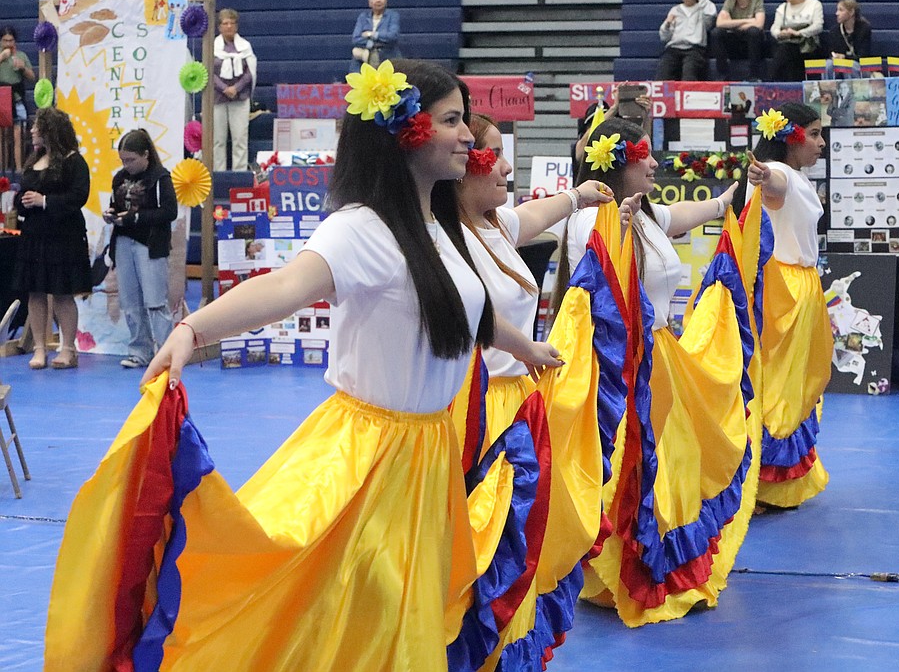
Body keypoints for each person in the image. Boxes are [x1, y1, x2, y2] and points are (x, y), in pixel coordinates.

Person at [44, 60, 561, 670]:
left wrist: (527, 348)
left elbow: (465, 311)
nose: (469, 136)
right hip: (367, 455)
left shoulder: (441, 228)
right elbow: (284, 287)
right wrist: (191, 329)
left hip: (429, 457)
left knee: (399, 620)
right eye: (452, 121)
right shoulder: (360, 229)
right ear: (407, 132)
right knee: (345, 611)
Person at [553, 117, 759, 627]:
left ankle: (661, 561)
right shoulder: (593, 219)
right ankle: (622, 570)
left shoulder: (643, 213)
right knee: (635, 464)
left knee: (673, 464)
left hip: (661, 357)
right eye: (643, 154)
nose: (653, 161)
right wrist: (617, 226)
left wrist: (723, 202)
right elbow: (603, 289)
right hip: (624, 367)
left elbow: (678, 215)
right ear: (619, 162)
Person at [452, 114, 612, 665]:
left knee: (523, 536)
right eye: (491, 154)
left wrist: (582, 195)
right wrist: (527, 348)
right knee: (495, 540)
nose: (505, 166)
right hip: (482, 410)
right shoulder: (444, 240)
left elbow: (538, 213)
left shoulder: (496, 225)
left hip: (520, 404)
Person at [745, 103, 832, 508]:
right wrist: (766, 177)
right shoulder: (780, 174)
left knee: (795, 384)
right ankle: (764, 484)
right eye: (813, 134)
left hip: (800, 287)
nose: (821, 142)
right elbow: (774, 184)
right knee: (781, 385)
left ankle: (780, 483)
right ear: (791, 138)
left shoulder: (797, 176)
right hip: (786, 291)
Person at [12, 107, 92, 370]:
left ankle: (68, 348)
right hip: (35, 236)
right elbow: (24, 194)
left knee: (62, 293)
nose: (32, 130)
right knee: (35, 292)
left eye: (38, 126)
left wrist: (45, 201)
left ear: (51, 131)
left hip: (63, 236)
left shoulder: (73, 161)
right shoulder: (34, 160)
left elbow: (79, 196)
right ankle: (39, 347)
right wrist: (22, 202)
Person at [104, 129, 178, 369]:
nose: (127, 165)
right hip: (124, 242)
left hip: (150, 245)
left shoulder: (160, 178)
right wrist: (111, 214)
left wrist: (136, 218)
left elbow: (169, 212)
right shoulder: (119, 178)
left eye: (131, 160)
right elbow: (116, 204)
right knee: (130, 301)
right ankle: (139, 351)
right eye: (123, 160)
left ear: (146, 155)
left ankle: (166, 353)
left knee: (155, 300)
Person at [212, 8, 256, 172]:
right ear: (219, 27)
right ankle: (219, 173)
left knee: (240, 139)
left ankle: (240, 174)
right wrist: (224, 88)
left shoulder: (245, 46)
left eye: (232, 23)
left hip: (240, 98)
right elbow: (208, 71)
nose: (229, 26)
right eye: (225, 23)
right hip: (217, 99)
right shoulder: (212, 46)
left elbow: (250, 71)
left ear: (236, 26)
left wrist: (236, 88)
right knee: (218, 140)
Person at [656, 0, 716, 81]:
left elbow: (711, 15)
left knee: (689, 73)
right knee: (664, 71)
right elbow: (664, 37)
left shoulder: (702, 9)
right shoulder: (675, 10)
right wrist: (667, 24)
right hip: (674, 48)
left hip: (694, 49)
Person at [769, 0, 824, 82]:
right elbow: (774, 28)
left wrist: (799, 33)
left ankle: (772, 81)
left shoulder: (814, 4)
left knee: (786, 52)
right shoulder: (782, 8)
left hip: (808, 46)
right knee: (787, 50)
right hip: (788, 45)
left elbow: (818, 26)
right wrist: (779, 34)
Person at [712, 0, 767, 81]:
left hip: (751, 43)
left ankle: (754, 75)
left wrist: (731, 23)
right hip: (735, 42)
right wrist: (747, 21)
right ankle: (723, 75)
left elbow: (759, 24)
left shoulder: (756, 0)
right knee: (716, 33)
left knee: (754, 32)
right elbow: (720, 23)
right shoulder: (729, 1)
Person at [0, 26, 36, 171]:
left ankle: (19, 170)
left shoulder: (21, 56)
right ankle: (2, 170)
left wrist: (23, 68)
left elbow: (32, 77)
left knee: (18, 136)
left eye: (11, 40)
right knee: (2, 137)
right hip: (2, 101)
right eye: (5, 40)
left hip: (17, 99)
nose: (8, 44)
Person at [351, 0, 401, 69]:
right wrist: (375, 43)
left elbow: (393, 36)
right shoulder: (363, 17)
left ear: (386, 0)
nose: (378, 0)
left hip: (389, 60)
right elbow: (355, 39)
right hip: (363, 63)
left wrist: (372, 34)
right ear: (369, 2)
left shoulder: (393, 16)